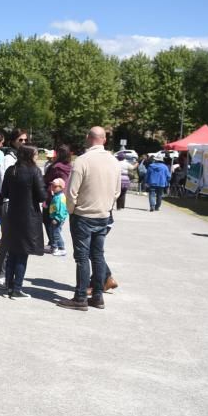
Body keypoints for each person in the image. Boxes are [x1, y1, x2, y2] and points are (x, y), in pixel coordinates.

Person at [56, 126, 120, 312]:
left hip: (83, 214)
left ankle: (81, 297)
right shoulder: (114, 161)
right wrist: (106, 207)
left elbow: (71, 191)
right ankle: (98, 296)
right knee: (98, 256)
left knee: (82, 258)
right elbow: (117, 191)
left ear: (88, 138)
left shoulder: (82, 161)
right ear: (104, 140)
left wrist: (71, 210)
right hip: (103, 214)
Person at [0, 145, 47, 299]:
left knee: (12, 251)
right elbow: (41, 196)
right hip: (29, 216)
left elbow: (4, 192)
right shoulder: (34, 171)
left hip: (13, 213)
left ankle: (9, 287)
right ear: (29, 155)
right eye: (35, 154)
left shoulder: (11, 170)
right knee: (22, 253)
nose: (37, 157)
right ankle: (17, 288)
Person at [0, 129, 28, 286]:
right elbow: (4, 183)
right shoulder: (8, 159)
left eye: (25, 140)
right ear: (13, 141)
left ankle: (6, 275)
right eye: (20, 140)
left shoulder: (21, 159)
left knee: (13, 241)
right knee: (7, 241)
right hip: (7, 202)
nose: (24, 143)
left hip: (18, 203)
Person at [43, 145, 72, 251]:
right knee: (58, 221)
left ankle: (55, 244)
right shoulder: (70, 166)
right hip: (64, 196)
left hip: (53, 196)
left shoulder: (57, 167)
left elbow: (47, 180)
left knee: (48, 219)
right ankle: (55, 244)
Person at [47, 178, 68, 256]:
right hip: (54, 217)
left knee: (56, 233)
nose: (53, 187)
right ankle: (55, 247)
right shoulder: (56, 196)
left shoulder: (61, 197)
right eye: (52, 185)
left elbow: (62, 210)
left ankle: (61, 248)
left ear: (61, 187)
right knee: (55, 233)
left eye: (55, 186)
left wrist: (57, 218)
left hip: (58, 218)